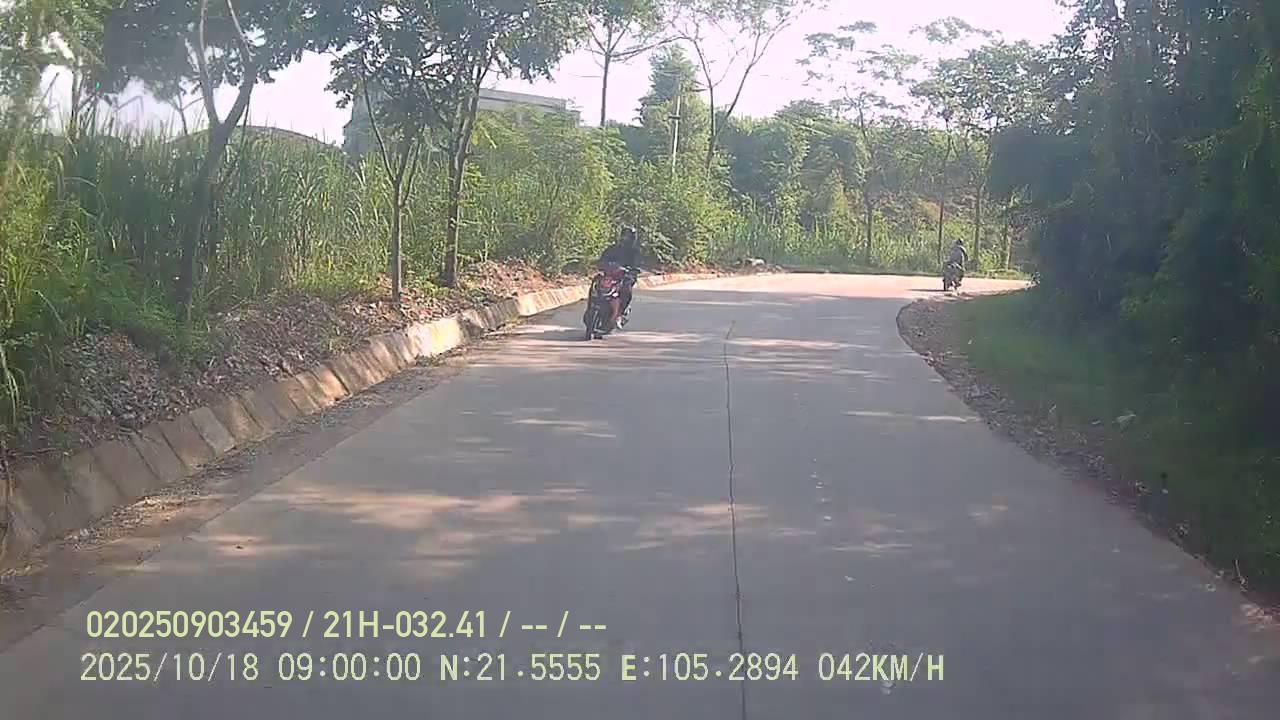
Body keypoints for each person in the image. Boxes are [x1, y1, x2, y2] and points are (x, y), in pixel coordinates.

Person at [596, 225, 642, 330]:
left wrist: (632, 270)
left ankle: (619, 315)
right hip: (610, 275)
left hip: (626, 276)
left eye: (628, 236)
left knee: (626, 290)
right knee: (596, 282)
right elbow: (603, 259)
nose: (625, 238)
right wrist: (602, 264)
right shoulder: (612, 248)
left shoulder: (635, 252)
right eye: (624, 235)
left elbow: (637, 264)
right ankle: (593, 306)